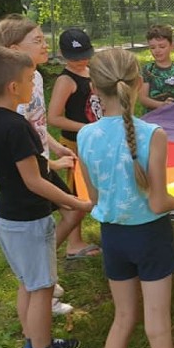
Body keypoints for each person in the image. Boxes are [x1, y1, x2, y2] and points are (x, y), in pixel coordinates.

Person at [77, 48, 174, 348]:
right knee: (157, 326)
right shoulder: (154, 134)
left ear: (94, 90)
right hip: (150, 238)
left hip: (112, 238)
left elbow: (95, 199)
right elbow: (160, 201)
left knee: (122, 319)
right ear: (137, 84)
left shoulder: (84, 135)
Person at [0, 47, 92, 348]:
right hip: (28, 221)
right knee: (41, 289)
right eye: (28, 80)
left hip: (10, 218)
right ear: (14, 87)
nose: (32, 84)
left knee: (28, 284)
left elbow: (30, 171)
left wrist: (54, 164)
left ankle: (33, 347)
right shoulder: (16, 126)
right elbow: (34, 181)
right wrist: (75, 203)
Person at [0, 15, 91, 313]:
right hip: (30, 169)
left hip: (43, 160)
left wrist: (58, 148)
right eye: (36, 41)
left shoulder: (34, 77)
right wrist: (49, 162)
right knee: (72, 210)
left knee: (71, 215)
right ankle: (39, 283)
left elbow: (37, 124)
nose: (45, 44)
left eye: (43, 38)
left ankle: (43, 274)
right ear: (13, 49)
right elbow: (21, 133)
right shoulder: (15, 87)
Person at [47, 28, 103, 260]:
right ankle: (73, 244)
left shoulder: (89, 72)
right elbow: (53, 117)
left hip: (94, 141)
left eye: (85, 55)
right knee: (78, 195)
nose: (81, 60)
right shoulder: (66, 80)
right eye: (75, 57)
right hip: (74, 145)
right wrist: (87, 128)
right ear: (62, 54)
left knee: (93, 188)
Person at [139, 24, 174, 114]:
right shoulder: (147, 70)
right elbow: (143, 99)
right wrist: (162, 105)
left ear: (172, 46)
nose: (157, 50)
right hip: (151, 118)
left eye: (162, 47)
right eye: (153, 47)